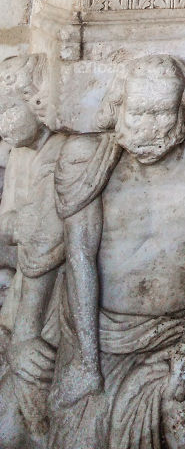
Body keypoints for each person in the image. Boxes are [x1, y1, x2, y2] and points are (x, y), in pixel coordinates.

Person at [47, 55, 185, 449]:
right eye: (137, 113)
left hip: (179, 330)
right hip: (99, 333)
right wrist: (87, 361)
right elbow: (80, 257)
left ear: (184, 110)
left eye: (162, 113)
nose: (149, 128)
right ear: (117, 107)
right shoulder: (84, 155)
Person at [0, 55, 65, 448]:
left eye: (9, 109)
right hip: (22, 294)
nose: (2, 123)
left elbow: (42, 240)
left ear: (37, 102)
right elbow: (9, 229)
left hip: (49, 302)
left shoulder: (60, 153)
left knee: (22, 422)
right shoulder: (20, 155)